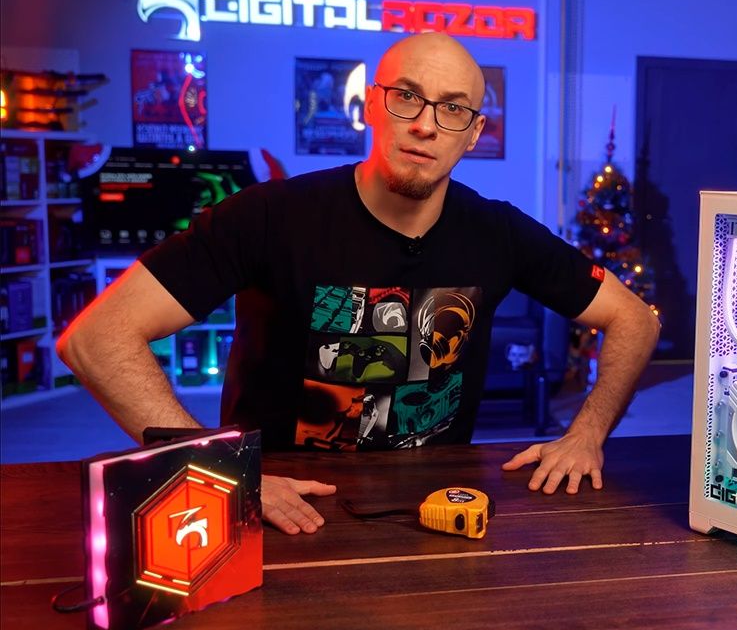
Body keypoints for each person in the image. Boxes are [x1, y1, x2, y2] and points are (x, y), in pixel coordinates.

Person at [58, 32, 660, 535]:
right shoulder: (268, 217)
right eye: (406, 97)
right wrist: (221, 472)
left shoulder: (498, 233)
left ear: (473, 133)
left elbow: (633, 318)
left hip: (436, 514)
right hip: (274, 510)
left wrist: (587, 434)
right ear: (371, 104)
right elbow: (96, 339)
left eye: (452, 109)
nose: (425, 125)